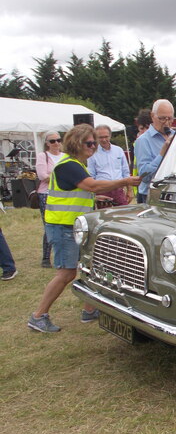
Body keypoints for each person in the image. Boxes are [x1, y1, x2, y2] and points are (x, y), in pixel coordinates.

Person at [27, 124, 142, 333]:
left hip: (74, 226)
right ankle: (38, 315)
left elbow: (82, 190)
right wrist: (125, 181)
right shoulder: (69, 165)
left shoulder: (77, 165)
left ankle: (90, 310)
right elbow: (92, 185)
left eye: (95, 143)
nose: (93, 147)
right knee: (66, 273)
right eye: (90, 143)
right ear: (76, 143)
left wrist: (94, 197)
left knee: (89, 267)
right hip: (63, 226)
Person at [134, 99, 175, 203]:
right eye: (162, 119)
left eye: (169, 119)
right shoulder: (143, 140)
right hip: (150, 195)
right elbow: (144, 176)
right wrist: (162, 154)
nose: (166, 123)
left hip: (173, 192)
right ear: (152, 116)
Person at [35, 131, 65, 267]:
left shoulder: (65, 156)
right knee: (49, 225)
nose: (56, 143)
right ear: (47, 144)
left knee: (64, 225)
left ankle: (64, 254)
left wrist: (53, 176)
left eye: (58, 140)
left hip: (63, 194)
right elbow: (42, 176)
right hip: (46, 194)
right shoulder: (43, 156)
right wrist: (61, 176)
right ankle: (46, 258)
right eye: (52, 141)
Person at [87, 125, 133, 207]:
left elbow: (125, 172)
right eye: (100, 137)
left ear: (110, 136)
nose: (104, 140)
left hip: (119, 191)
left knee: (123, 216)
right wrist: (94, 196)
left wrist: (130, 190)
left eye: (106, 137)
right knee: (105, 217)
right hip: (102, 191)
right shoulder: (92, 153)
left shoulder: (118, 150)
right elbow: (91, 176)